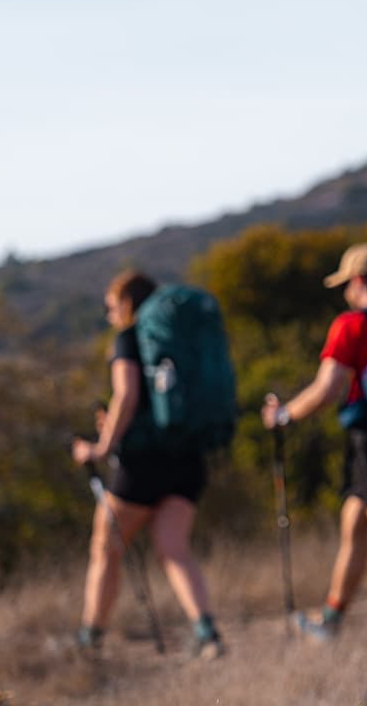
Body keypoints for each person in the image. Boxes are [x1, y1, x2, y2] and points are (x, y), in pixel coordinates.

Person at [261, 243, 367, 642]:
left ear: (357, 282)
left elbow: (327, 389)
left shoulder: (352, 325)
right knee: (354, 519)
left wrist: (284, 415)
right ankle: (332, 620)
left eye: (345, 285)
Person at [71, 270, 224, 659]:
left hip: (142, 464)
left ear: (126, 305)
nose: (109, 317)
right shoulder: (180, 344)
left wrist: (102, 447)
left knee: (106, 547)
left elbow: (127, 393)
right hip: (189, 456)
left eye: (110, 307)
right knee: (174, 548)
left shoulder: (128, 339)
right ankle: (207, 633)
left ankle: (90, 638)